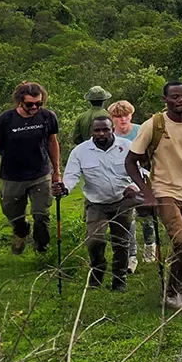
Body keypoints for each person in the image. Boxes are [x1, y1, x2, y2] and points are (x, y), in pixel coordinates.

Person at [125, 82, 182, 311]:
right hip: (164, 190)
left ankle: (171, 293)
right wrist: (147, 193)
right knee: (181, 240)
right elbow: (130, 161)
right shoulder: (153, 125)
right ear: (165, 100)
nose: (180, 100)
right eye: (175, 97)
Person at [0, 82, 62, 255]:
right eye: (30, 104)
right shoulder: (5, 120)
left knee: (41, 215)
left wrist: (57, 171)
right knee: (13, 214)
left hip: (40, 173)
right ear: (19, 102)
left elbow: (53, 142)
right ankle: (21, 232)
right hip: (13, 176)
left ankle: (41, 248)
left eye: (39, 103)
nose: (35, 107)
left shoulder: (47, 117)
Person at [62, 114, 141, 290]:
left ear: (112, 129)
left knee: (120, 242)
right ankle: (97, 272)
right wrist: (64, 188)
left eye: (105, 129)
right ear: (92, 132)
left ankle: (119, 280)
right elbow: (71, 175)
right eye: (97, 130)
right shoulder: (80, 151)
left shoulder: (127, 146)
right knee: (94, 241)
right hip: (96, 203)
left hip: (123, 200)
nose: (102, 133)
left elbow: (141, 170)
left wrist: (135, 187)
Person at [109, 100, 154, 272]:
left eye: (125, 115)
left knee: (147, 215)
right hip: (121, 179)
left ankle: (150, 247)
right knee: (129, 218)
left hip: (143, 175)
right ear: (112, 118)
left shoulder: (140, 130)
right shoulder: (110, 134)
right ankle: (131, 256)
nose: (122, 120)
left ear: (131, 115)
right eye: (118, 116)